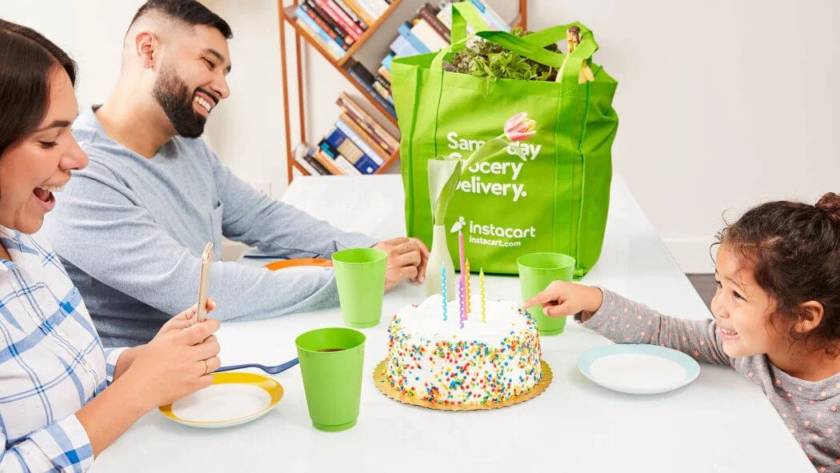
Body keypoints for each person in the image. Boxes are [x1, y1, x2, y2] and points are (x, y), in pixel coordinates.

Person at [40, 0, 428, 347]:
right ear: (149, 49)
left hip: (215, 347)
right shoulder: (81, 173)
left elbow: (262, 216)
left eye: (225, 71)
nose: (223, 88)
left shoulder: (186, 147)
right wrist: (357, 277)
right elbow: (197, 288)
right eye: (209, 63)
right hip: (141, 388)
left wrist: (362, 251)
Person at [0, 18, 222, 472]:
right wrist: (136, 390)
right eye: (48, 139)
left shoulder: (26, 244)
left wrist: (139, 363)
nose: (79, 158)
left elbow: (58, 375)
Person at [524, 195, 840, 472]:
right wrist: (591, 300)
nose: (718, 306)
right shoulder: (753, 349)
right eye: (719, 285)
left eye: (738, 296)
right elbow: (666, 332)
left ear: (804, 316)